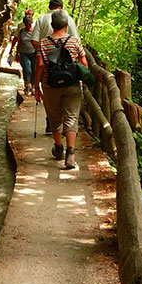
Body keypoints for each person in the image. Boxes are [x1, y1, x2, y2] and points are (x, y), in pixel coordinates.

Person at [34, 10, 88, 170]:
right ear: (66, 25)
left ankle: (59, 148)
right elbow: (84, 63)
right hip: (71, 85)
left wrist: (36, 86)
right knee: (71, 117)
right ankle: (70, 154)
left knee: (54, 117)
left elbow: (40, 65)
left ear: (51, 26)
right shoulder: (74, 41)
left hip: (50, 85)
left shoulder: (43, 43)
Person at [30, 0, 79, 133]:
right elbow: (76, 40)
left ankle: (51, 124)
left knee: (51, 93)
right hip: (68, 65)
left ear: (50, 6)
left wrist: (42, 51)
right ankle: (66, 127)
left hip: (48, 64)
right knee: (67, 93)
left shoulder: (41, 19)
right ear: (61, 7)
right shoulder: (68, 19)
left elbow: (34, 40)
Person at [9, 9, 37, 95]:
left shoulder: (35, 31)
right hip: (24, 53)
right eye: (27, 23)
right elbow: (18, 42)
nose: (29, 25)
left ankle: (33, 87)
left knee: (34, 70)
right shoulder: (21, 31)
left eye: (30, 23)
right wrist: (16, 54)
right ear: (24, 24)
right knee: (27, 69)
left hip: (34, 53)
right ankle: (27, 85)